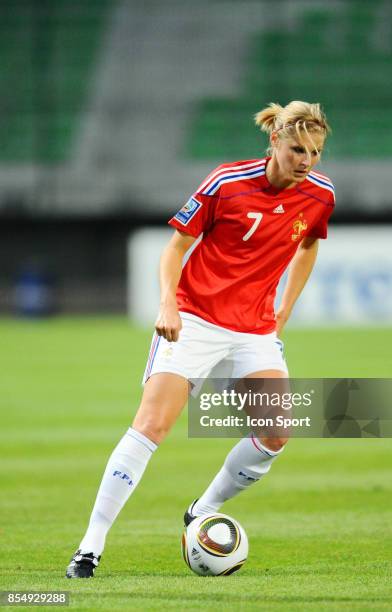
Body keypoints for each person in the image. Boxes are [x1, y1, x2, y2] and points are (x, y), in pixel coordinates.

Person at [66, 100, 335, 578]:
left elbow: (309, 244)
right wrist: (167, 303)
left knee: (276, 433)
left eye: (315, 152)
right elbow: (176, 248)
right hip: (195, 320)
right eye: (297, 150)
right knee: (151, 426)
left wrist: (284, 309)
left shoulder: (319, 195)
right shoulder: (226, 183)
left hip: (253, 329)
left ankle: (203, 509)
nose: (306, 162)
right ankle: (90, 546)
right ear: (274, 140)